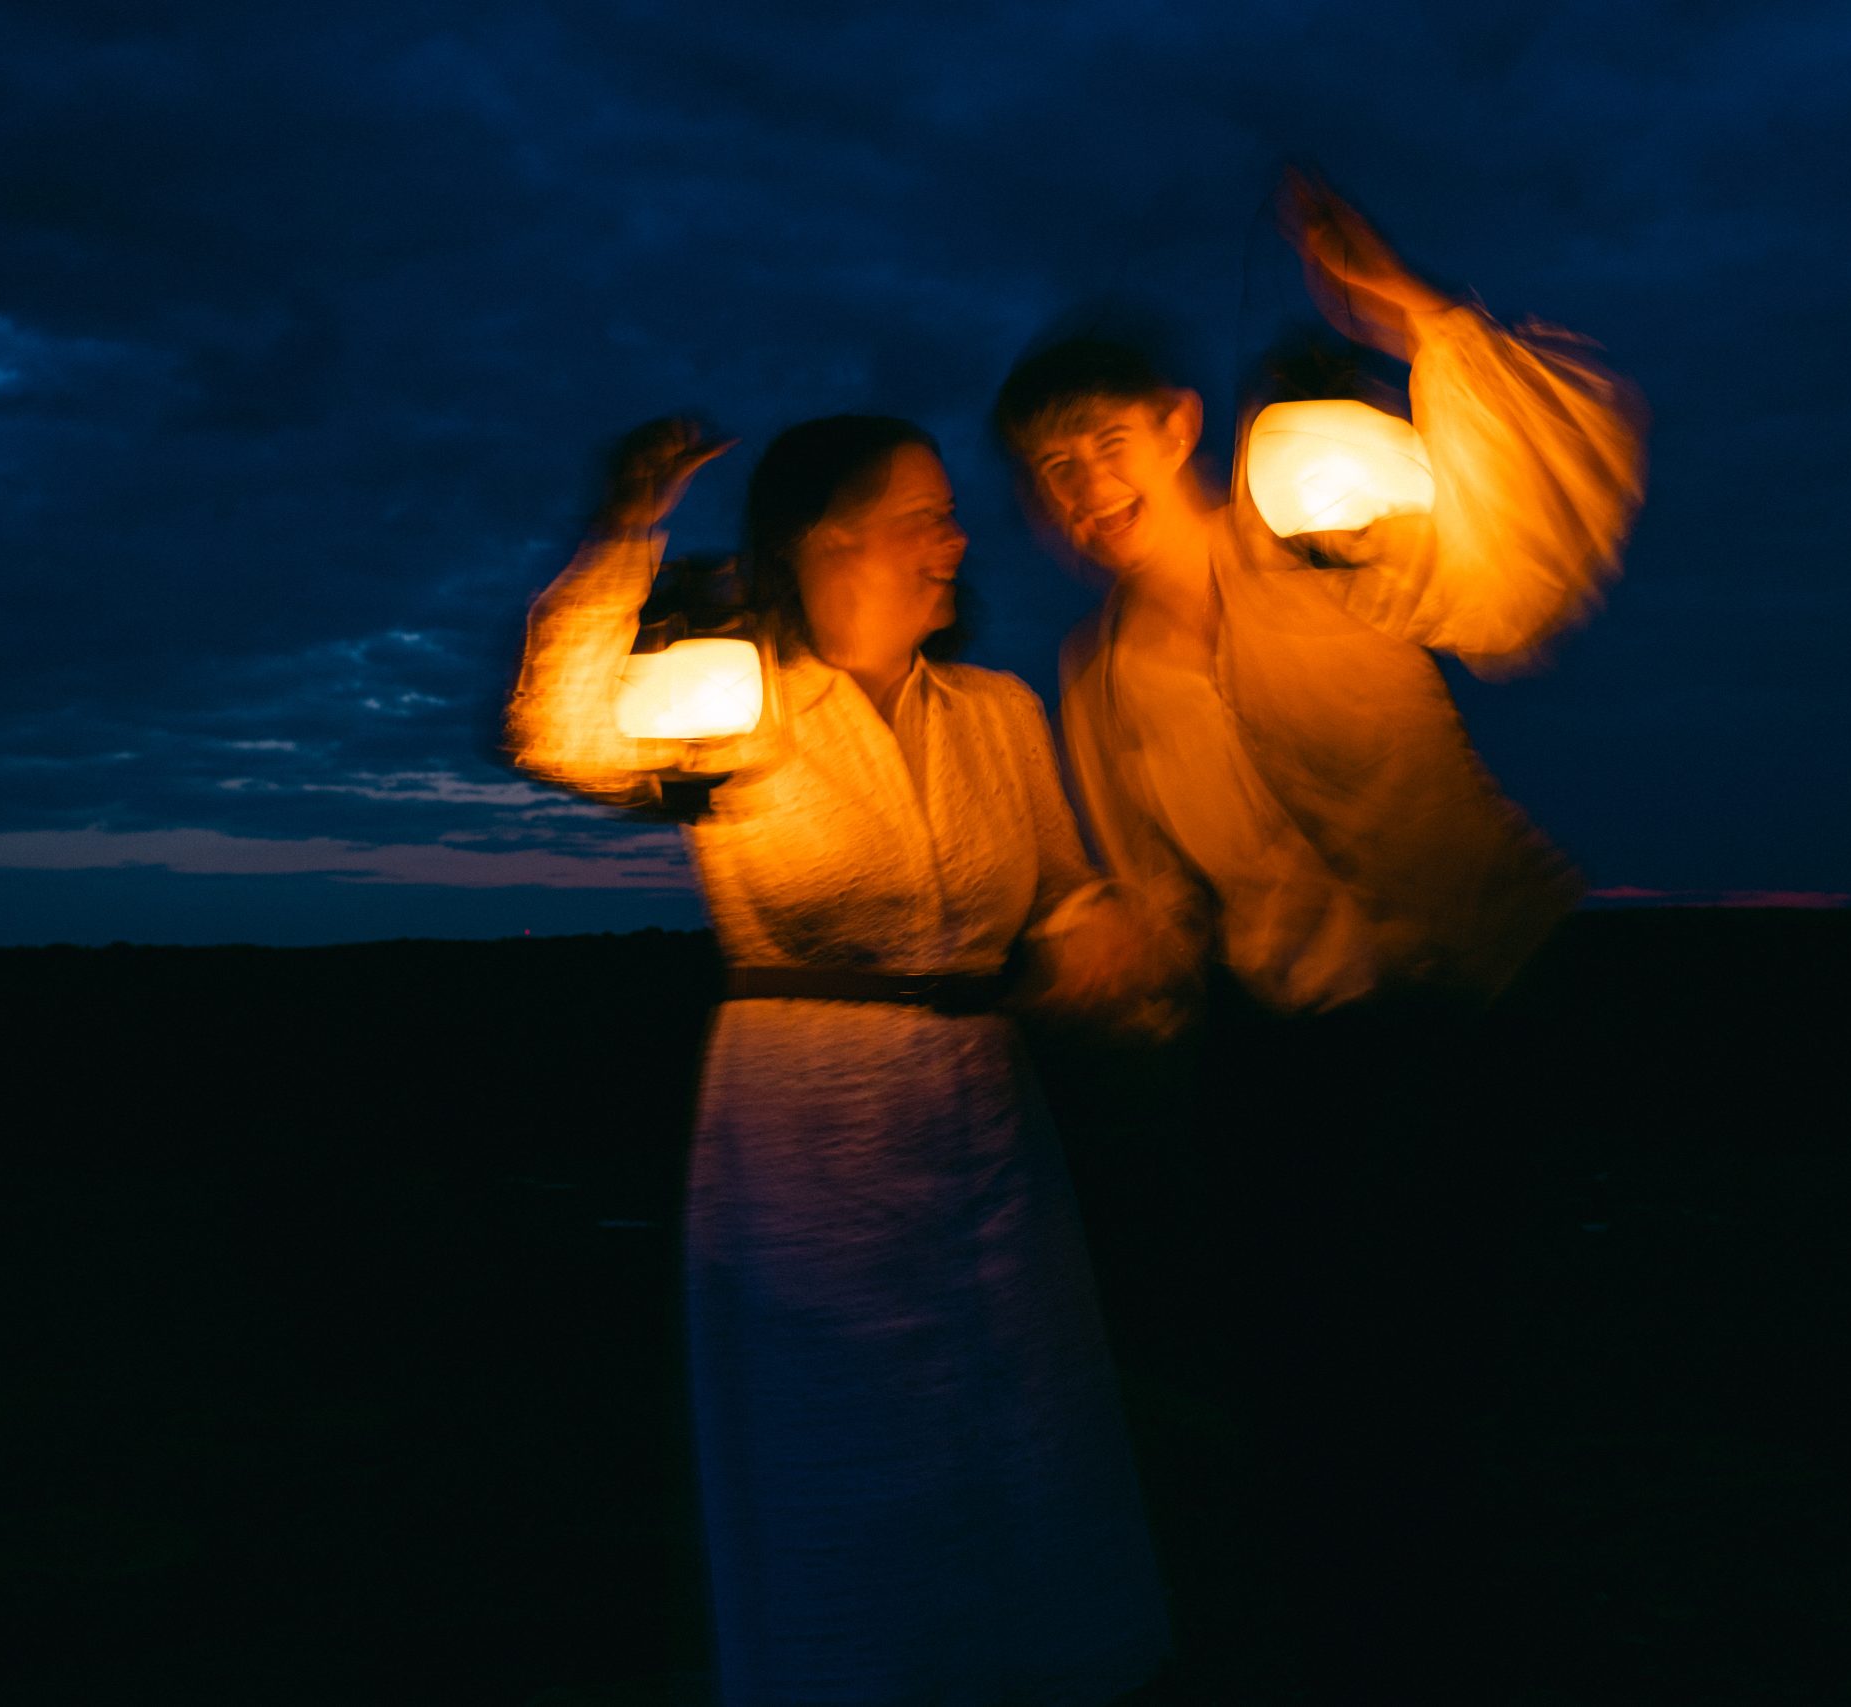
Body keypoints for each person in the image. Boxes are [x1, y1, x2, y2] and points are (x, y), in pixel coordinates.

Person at [993, 173, 1650, 1699]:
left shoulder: (1323, 521)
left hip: (1471, 1010)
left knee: (1487, 1368)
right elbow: (1164, 899)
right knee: (1324, 1391)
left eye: (1099, 444)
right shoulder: (1097, 674)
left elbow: (1513, 567)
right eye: (1047, 474)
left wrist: (1414, 315)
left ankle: (1512, 1641)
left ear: (1176, 424)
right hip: (1288, 1062)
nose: (1081, 490)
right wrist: (1092, 965)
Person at [505, 415, 1170, 1707]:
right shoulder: (731, 703)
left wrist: (1112, 935)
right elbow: (559, 732)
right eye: (925, 516)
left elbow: (1061, 888)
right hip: (807, 1135)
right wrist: (625, 531)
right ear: (827, 541)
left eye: (951, 516)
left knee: (1017, 1423)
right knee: (844, 1442)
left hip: (988, 1130)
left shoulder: (996, 713)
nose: (957, 540)